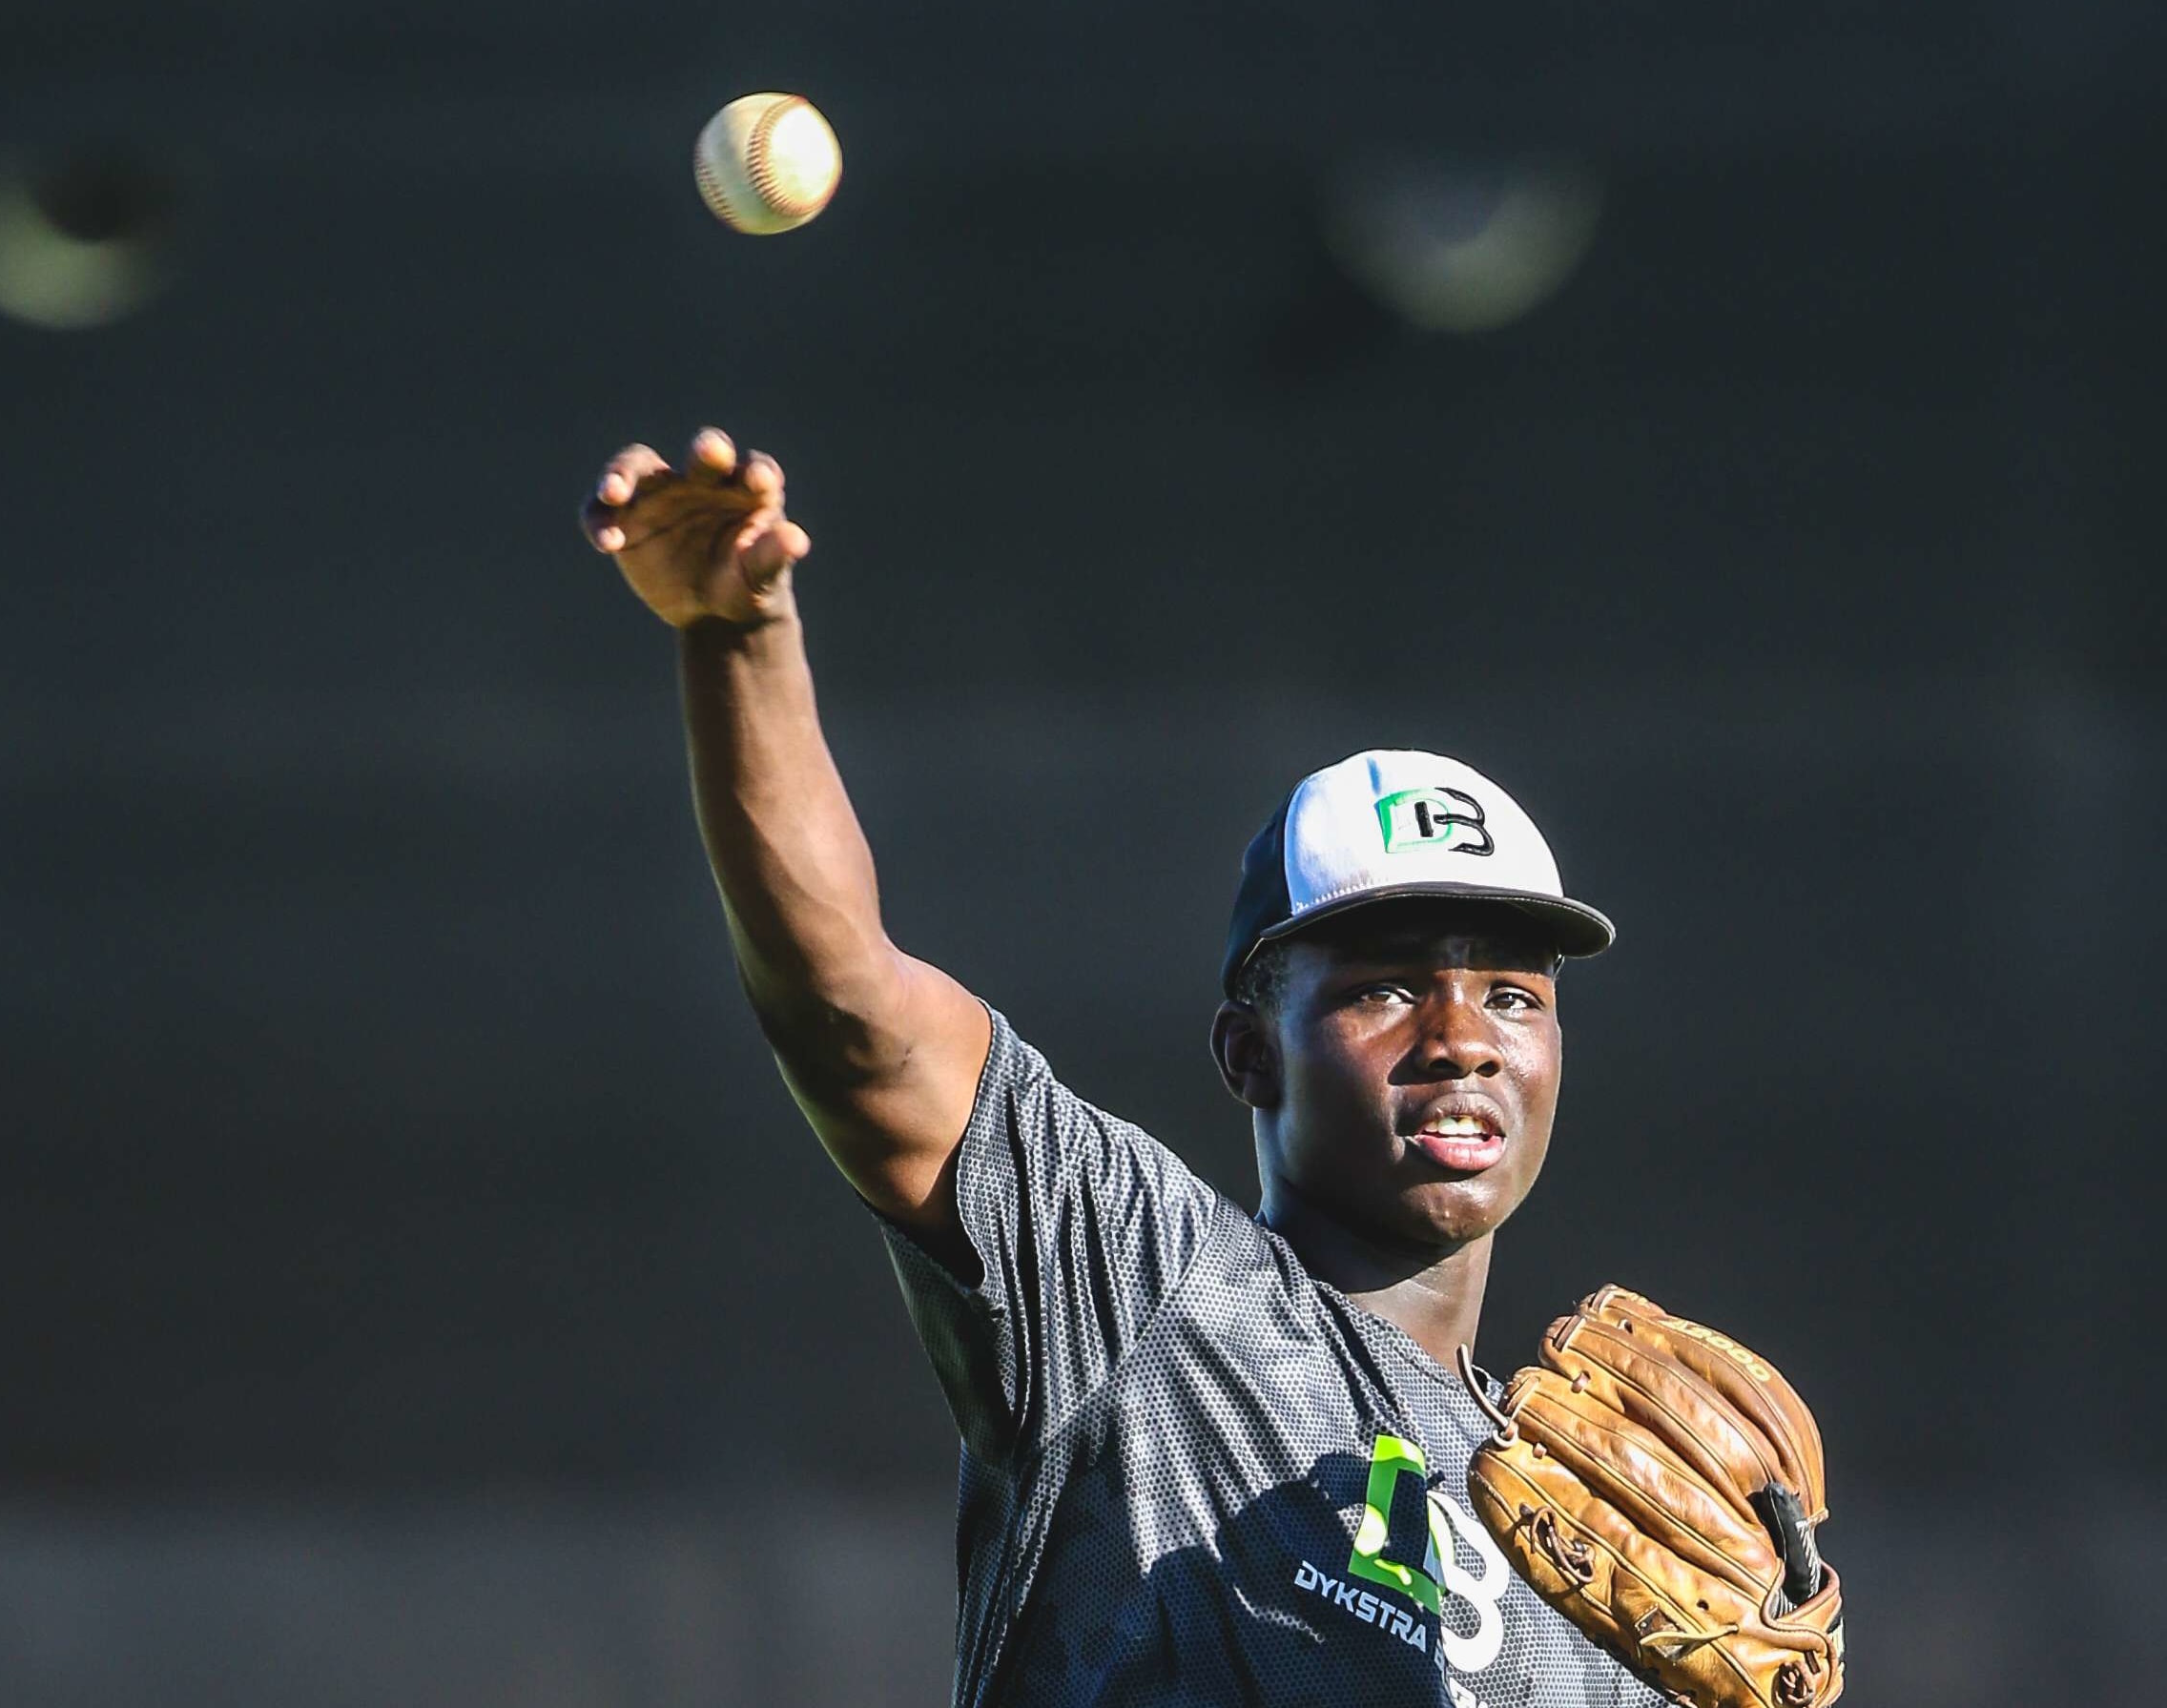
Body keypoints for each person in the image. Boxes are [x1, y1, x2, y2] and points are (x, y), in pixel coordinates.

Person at [583, 427, 1661, 1707]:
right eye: (1382, 986)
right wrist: (737, 641)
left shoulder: (1601, 1545)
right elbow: (849, 1009)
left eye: (1510, 995)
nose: (1460, 1036)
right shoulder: (1141, 1290)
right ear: (1246, 1051)